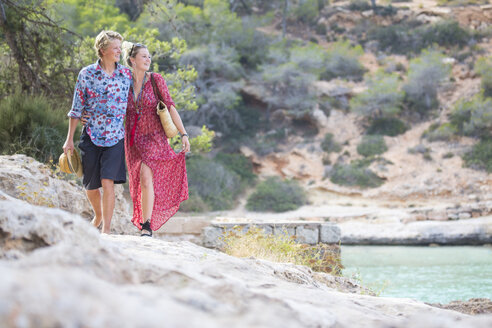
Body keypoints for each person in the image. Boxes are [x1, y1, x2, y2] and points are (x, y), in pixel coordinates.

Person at [63, 30, 132, 234]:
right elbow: (76, 108)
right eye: (115, 48)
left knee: (107, 181)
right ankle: (98, 214)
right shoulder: (86, 74)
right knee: (90, 185)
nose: (119, 51)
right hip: (91, 134)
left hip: (116, 137)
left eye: (120, 47)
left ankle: (106, 230)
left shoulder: (125, 74)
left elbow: (136, 101)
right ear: (103, 50)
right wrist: (69, 141)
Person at [122, 41, 189, 237]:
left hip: (154, 137)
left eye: (149, 56)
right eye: (144, 56)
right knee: (140, 182)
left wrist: (183, 133)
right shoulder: (124, 82)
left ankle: (147, 225)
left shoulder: (155, 80)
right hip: (133, 139)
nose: (148, 59)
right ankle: (145, 222)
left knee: (145, 176)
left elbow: (170, 107)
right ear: (132, 60)